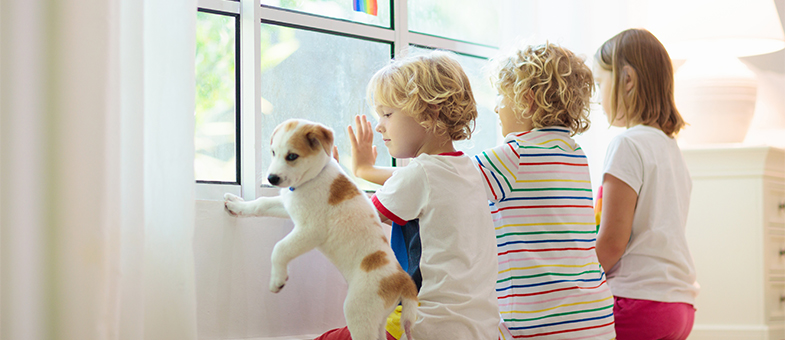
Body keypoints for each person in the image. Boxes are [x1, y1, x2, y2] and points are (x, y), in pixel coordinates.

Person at [317, 50, 500, 340]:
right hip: (481, 328)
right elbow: (410, 183)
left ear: (430, 112)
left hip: (430, 327)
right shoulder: (468, 170)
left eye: (387, 114)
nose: (379, 125)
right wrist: (363, 169)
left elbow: (356, 218)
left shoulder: (421, 174)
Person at [473, 42, 616, 339]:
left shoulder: (513, 155)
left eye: (502, 96)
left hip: (540, 323)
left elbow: (440, 178)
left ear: (527, 101)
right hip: (594, 318)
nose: (497, 106)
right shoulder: (575, 153)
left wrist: (368, 171)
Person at [593, 28, 699, 340]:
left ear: (627, 79)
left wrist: (577, 280)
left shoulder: (627, 144)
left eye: (600, 82)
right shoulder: (671, 149)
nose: (598, 97)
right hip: (679, 305)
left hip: (636, 300)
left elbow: (613, 242)